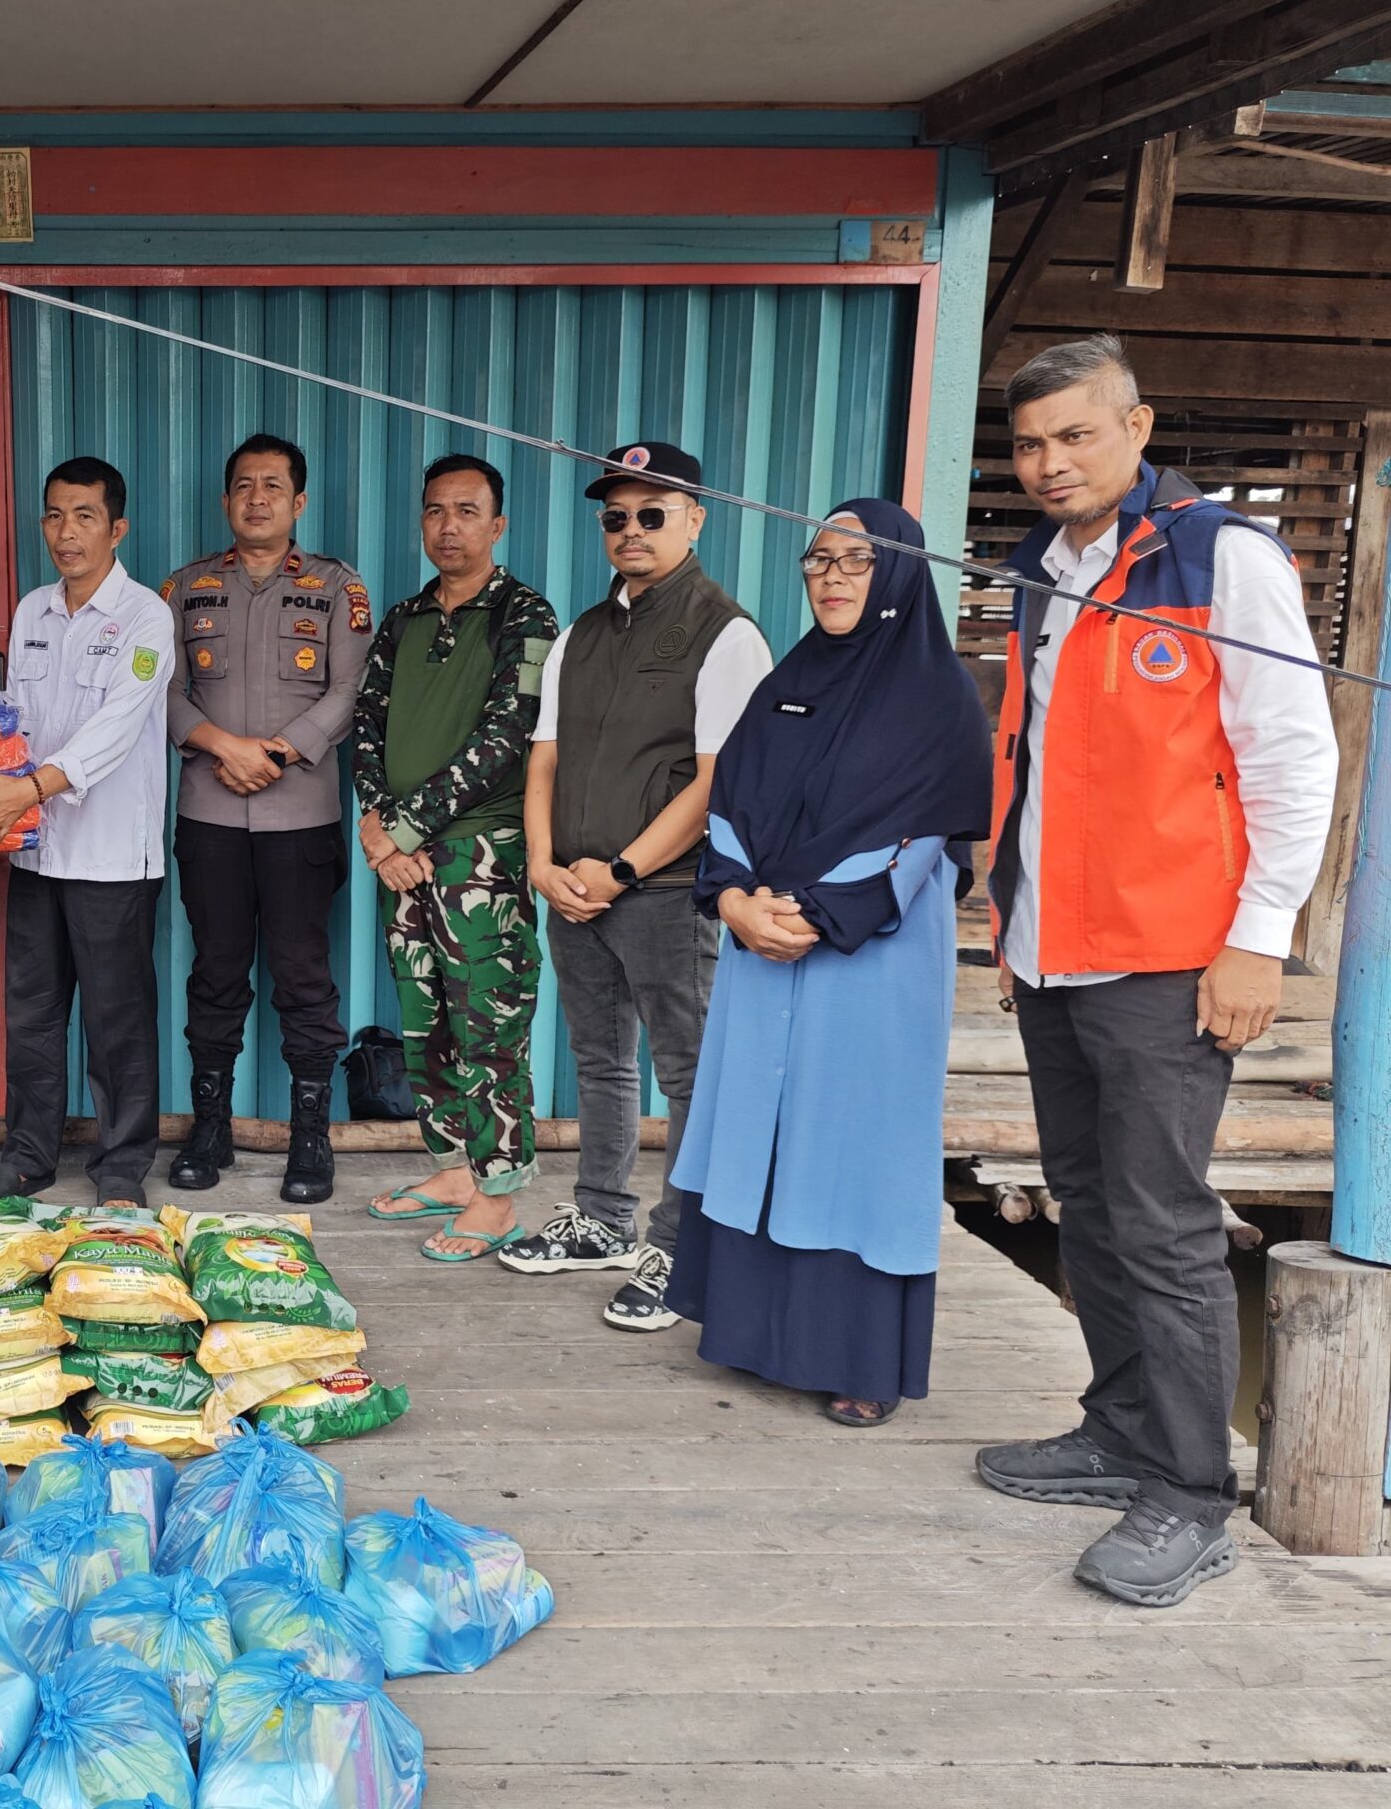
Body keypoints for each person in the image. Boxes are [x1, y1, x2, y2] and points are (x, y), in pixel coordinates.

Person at [974, 334, 1337, 1608]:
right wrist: (1013, 927)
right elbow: (1039, 763)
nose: (1049, 462)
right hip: (1054, 952)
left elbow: (1293, 758)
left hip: (1171, 953)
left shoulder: (1217, 557)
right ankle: (1120, 1428)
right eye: (1028, 444)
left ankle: (1189, 1492)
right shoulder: (1043, 568)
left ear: (1136, 428)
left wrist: (1258, 938)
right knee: (1087, 1196)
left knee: (1166, 1219)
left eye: (1075, 434)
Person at [662, 501, 990, 1425]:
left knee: (850, 1142)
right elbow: (731, 802)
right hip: (762, 943)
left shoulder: (936, 693)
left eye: (858, 561)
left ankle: (856, 1359)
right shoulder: (787, 682)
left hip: (865, 958)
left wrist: (807, 913)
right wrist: (732, 898)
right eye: (821, 560)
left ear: (899, 577)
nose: (835, 577)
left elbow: (919, 837)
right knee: (762, 1131)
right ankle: (754, 1335)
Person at [506, 441, 773, 1332]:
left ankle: (680, 1244)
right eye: (615, 516)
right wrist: (544, 864)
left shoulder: (725, 631)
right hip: (572, 890)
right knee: (597, 1060)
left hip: (663, 893)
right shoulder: (581, 632)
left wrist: (619, 871)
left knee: (688, 1073)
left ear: (695, 518)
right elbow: (542, 756)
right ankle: (602, 1219)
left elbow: (717, 784)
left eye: (652, 513)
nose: (631, 529)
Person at [354, 454, 560, 1261]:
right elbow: (366, 726)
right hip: (399, 857)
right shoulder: (403, 618)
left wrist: (404, 827)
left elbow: (508, 735)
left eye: (467, 511)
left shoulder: (526, 616)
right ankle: (450, 1169)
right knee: (424, 1022)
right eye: (435, 511)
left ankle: (500, 1192)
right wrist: (378, 827)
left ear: (497, 525)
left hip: (481, 854)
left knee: (488, 1023)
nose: (449, 526)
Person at [0, 457, 175, 1210]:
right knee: (34, 1013)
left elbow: (115, 730)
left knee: (118, 1020)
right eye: (54, 515)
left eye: (84, 516)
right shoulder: (32, 612)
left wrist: (32, 787)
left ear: (117, 528)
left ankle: (120, 1168)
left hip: (114, 855)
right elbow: (15, 722)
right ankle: (27, 1156)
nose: (66, 532)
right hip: (36, 849)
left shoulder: (146, 616)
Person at [161, 433, 372, 1204]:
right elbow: (164, 692)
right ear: (226, 501)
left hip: (300, 815)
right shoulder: (185, 588)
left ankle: (308, 1138)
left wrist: (276, 753)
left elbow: (350, 694)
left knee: (303, 976)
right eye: (244, 484)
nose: (257, 497)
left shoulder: (336, 587)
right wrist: (224, 746)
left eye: (274, 486)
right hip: (210, 812)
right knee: (215, 972)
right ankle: (210, 1126)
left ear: (298, 503)